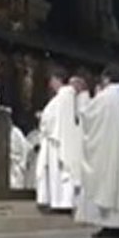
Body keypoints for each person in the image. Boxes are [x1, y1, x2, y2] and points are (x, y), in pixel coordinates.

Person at [79, 65, 119, 238]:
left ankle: (110, 226)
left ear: (107, 78)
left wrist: (84, 96)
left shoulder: (106, 96)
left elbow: (86, 114)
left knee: (107, 186)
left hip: (107, 149)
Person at [35, 69, 83, 211]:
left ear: (57, 80)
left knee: (58, 173)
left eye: (52, 80)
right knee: (67, 172)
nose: (50, 84)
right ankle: (66, 201)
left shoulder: (61, 97)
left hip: (56, 141)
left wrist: (41, 118)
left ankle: (60, 202)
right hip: (69, 140)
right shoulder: (72, 96)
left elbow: (49, 119)